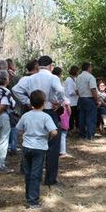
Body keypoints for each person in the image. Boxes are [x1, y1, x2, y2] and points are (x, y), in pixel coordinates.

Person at [12, 55, 69, 186]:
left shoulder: (29, 78)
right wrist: (60, 102)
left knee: (32, 139)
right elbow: (60, 90)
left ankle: (29, 173)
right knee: (53, 146)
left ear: (38, 65)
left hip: (33, 111)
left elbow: (15, 89)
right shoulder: (53, 78)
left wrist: (28, 101)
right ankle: (50, 179)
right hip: (49, 111)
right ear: (51, 66)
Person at [16, 90, 57, 209]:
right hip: (39, 147)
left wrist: (25, 136)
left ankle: (29, 196)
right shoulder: (45, 117)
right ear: (44, 103)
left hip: (27, 146)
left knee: (28, 173)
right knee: (36, 174)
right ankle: (33, 201)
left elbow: (19, 129)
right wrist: (48, 137)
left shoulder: (26, 115)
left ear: (31, 103)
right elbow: (54, 132)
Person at [76, 62, 98, 139]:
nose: (91, 69)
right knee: (90, 117)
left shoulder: (78, 77)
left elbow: (76, 91)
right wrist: (97, 100)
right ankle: (90, 135)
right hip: (89, 99)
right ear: (88, 68)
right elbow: (93, 90)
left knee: (81, 117)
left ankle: (82, 135)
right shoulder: (90, 77)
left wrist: (81, 95)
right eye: (91, 67)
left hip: (81, 99)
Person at [64, 65, 79, 132]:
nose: (78, 73)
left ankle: (76, 129)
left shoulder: (75, 79)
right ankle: (70, 130)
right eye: (77, 71)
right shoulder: (69, 79)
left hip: (76, 101)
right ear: (75, 71)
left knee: (77, 116)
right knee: (71, 117)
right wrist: (78, 92)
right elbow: (71, 92)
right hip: (71, 101)